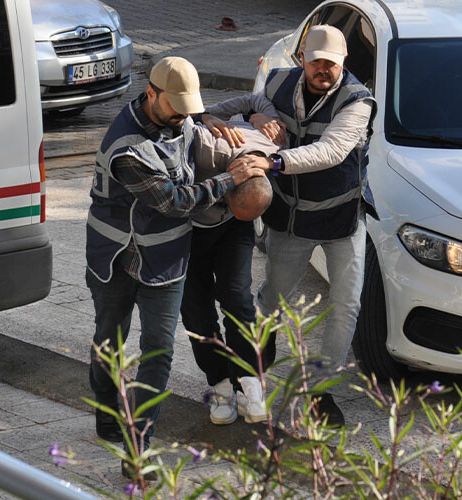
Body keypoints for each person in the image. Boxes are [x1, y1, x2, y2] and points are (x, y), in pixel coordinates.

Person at [85, 56, 265, 480]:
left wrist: (250, 150)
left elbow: (204, 137)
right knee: (109, 343)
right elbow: (173, 201)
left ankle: (138, 448)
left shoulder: (183, 119)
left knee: (159, 352)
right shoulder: (125, 146)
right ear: (151, 94)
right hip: (114, 259)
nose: (184, 117)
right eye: (177, 107)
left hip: (166, 260)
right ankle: (107, 416)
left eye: (190, 108)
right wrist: (230, 179)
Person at [201, 25, 377, 426]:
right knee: (269, 301)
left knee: (347, 305)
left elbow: (330, 151)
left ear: (343, 62)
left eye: (331, 63)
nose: (323, 70)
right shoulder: (278, 83)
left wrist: (272, 162)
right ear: (302, 60)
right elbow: (219, 110)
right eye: (315, 61)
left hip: (341, 220)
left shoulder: (358, 101)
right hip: (289, 220)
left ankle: (319, 390)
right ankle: (251, 373)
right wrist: (243, 116)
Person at [181, 117, 278, 426]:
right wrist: (204, 116)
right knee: (196, 310)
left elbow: (259, 102)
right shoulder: (201, 150)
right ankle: (221, 386)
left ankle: (251, 385)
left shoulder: (260, 151)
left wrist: (259, 116)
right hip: (187, 229)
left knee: (237, 298)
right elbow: (184, 115)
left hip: (232, 228)